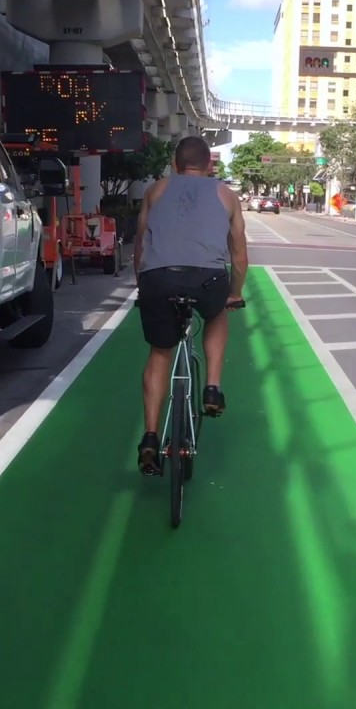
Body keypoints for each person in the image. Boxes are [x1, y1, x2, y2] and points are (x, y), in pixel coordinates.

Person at [133, 136, 248, 475]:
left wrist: (144, 285)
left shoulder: (156, 190)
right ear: (209, 164)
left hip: (158, 278)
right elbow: (239, 254)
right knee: (217, 313)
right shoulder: (226, 195)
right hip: (207, 279)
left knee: (159, 352)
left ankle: (151, 438)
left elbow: (141, 243)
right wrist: (234, 292)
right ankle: (212, 387)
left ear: (175, 162)